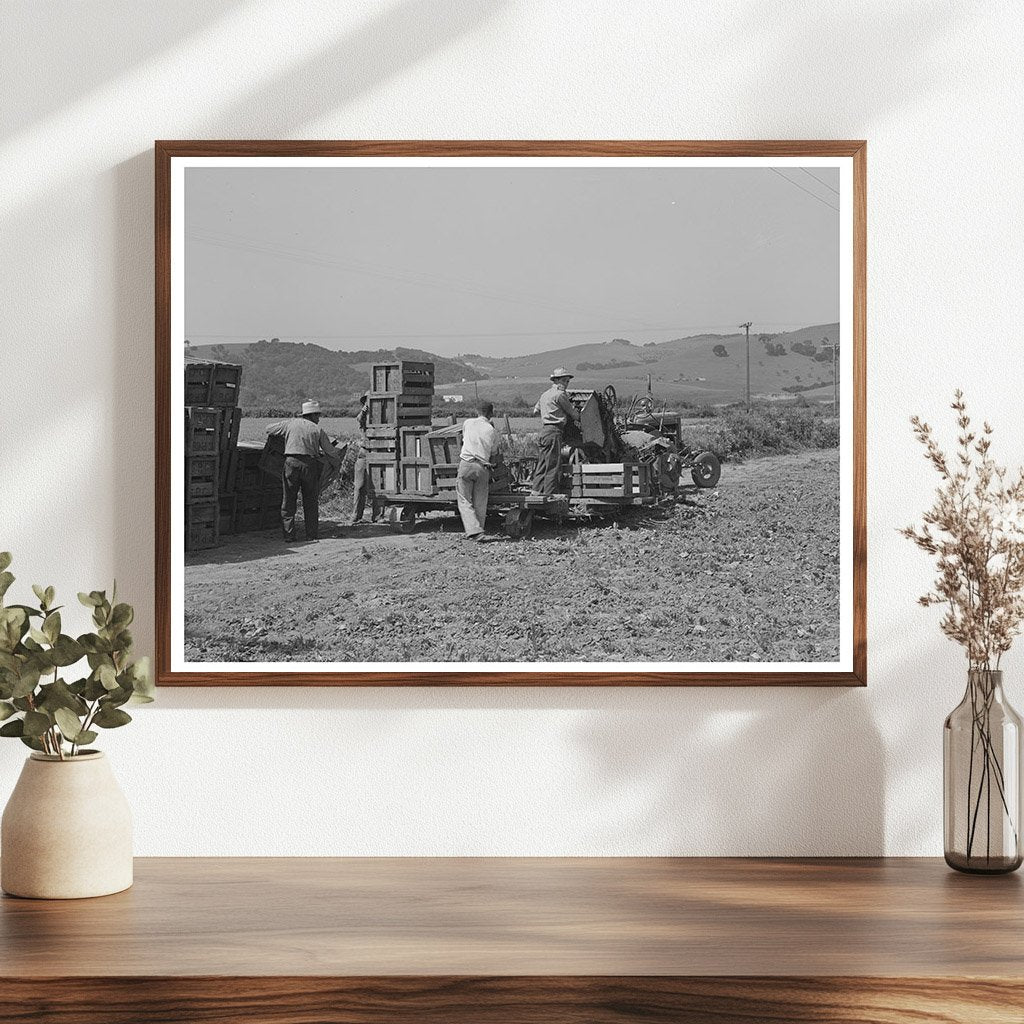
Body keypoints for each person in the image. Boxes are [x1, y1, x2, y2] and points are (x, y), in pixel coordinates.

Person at [266, 400, 342, 542]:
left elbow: (269, 429)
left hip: (291, 463)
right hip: (309, 465)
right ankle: (311, 535)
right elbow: (330, 452)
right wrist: (336, 466)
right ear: (312, 415)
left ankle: (289, 536)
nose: (319, 419)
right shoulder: (316, 429)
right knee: (310, 501)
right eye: (317, 415)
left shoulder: (290, 424)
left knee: (288, 500)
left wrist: (286, 435)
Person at [456, 400, 501, 541]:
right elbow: (494, 453)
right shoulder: (492, 431)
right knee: (480, 502)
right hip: (483, 467)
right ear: (491, 413)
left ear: (477, 411)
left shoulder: (468, 423)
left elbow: (464, 439)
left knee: (464, 499)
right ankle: (478, 530)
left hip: (466, 464)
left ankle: (473, 530)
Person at [531, 368, 581, 495]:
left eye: (568, 381)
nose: (566, 383)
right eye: (564, 380)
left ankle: (536, 491)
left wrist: (549, 413)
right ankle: (550, 495)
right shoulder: (560, 395)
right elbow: (574, 415)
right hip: (554, 431)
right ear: (556, 380)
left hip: (544, 431)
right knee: (553, 465)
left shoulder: (545, 394)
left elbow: (535, 411)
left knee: (543, 463)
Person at [350, 392, 379, 525]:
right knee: (359, 486)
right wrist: (365, 408)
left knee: (378, 486)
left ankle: (377, 516)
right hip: (364, 452)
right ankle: (356, 515)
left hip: (378, 453)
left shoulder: (381, 417)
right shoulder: (363, 418)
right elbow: (359, 419)